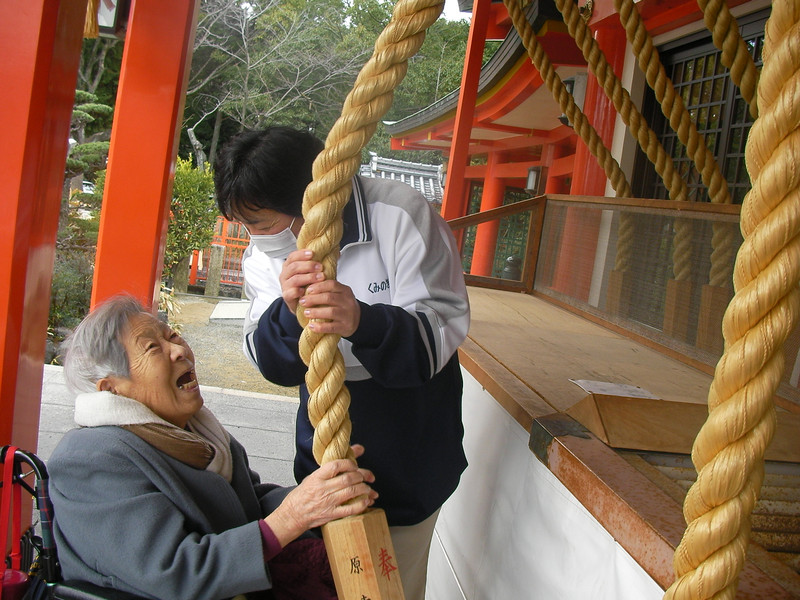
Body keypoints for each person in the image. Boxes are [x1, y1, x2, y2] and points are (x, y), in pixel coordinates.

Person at [214, 125, 471, 599]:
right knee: (323, 580)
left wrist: (362, 321)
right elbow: (270, 360)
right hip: (325, 454)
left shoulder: (401, 215)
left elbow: (438, 337)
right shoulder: (265, 253)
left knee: (394, 583)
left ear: (309, 203)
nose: (256, 238)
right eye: (245, 225)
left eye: (264, 224)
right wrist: (289, 316)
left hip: (409, 450)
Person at [48, 295, 378, 600]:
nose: (178, 350)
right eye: (152, 348)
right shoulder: (90, 459)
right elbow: (175, 574)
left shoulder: (194, 429)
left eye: (172, 335)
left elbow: (249, 501)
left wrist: (322, 495)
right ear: (112, 389)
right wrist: (294, 516)